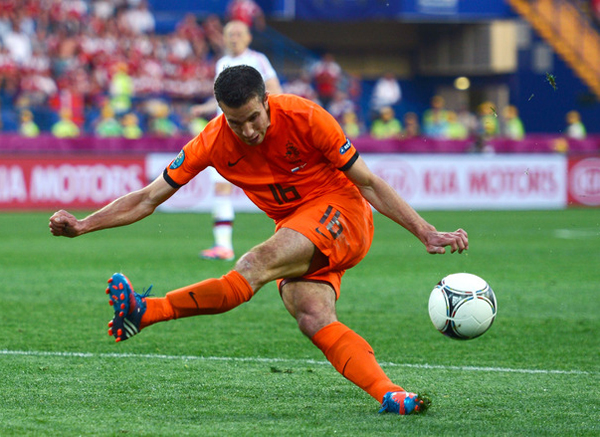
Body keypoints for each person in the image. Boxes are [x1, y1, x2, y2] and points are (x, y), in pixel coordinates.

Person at [49, 65, 468, 416]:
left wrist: (424, 231)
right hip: (298, 229)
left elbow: (370, 185)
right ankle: (390, 394)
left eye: (253, 117)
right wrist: (85, 224)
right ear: (221, 114)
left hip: (343, 213)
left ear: (266, 101)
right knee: (312, 316)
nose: (247, 129)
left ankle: (146, 311)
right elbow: (147, 198)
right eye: (235, 121)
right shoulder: (212, 141)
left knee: (253, 264)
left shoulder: (306, 117)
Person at [191, 20, 282, 261]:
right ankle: (223, 246)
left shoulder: (258, 60)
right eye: (230, 34)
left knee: (273, 186)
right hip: (226, 133)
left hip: (253, 132)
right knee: (221, 186)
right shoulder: (222, 63)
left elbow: (275, 92)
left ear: (249, 38)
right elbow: (223, 100)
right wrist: (203, 108)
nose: (234, 38)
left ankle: (292, 234)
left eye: (239, 33)